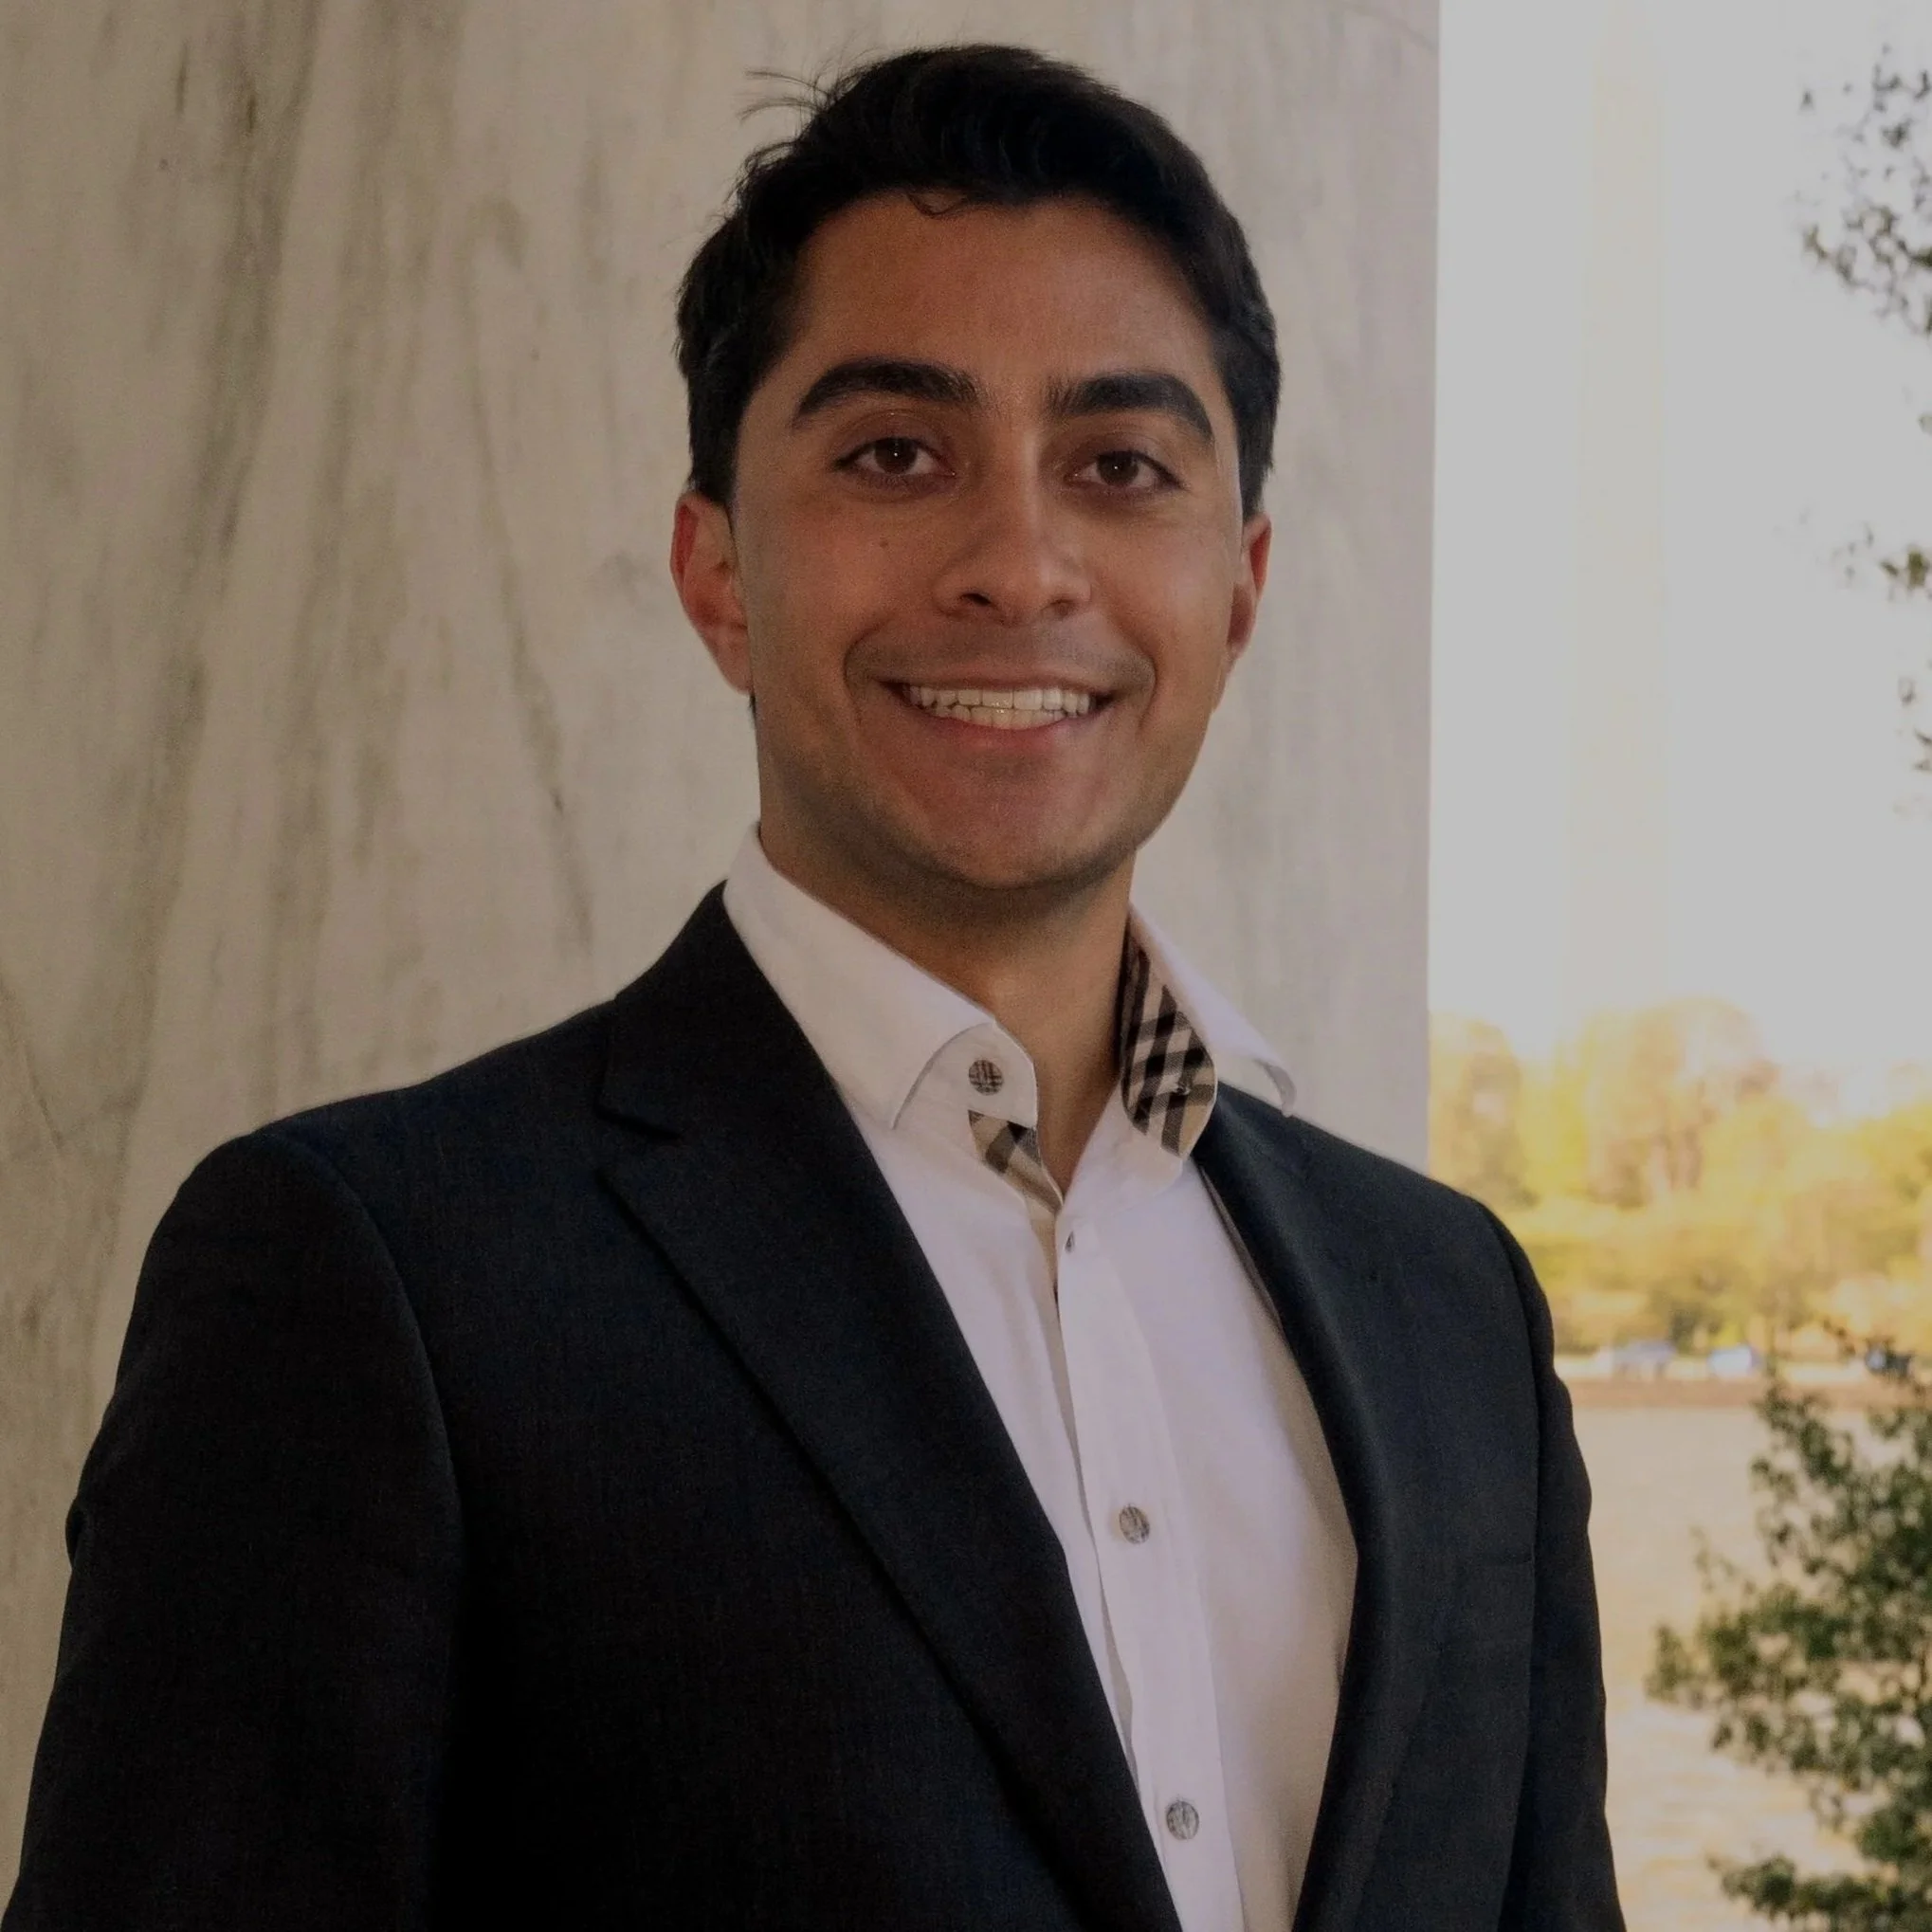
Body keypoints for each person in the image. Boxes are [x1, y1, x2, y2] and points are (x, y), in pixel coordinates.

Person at [5, 44, 1623, 1932]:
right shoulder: (377, 1277)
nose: (1018, 562)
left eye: (1118, 465)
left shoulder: (1450, 1315)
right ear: (716, 575)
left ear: (1237, 582)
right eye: (891, 455)